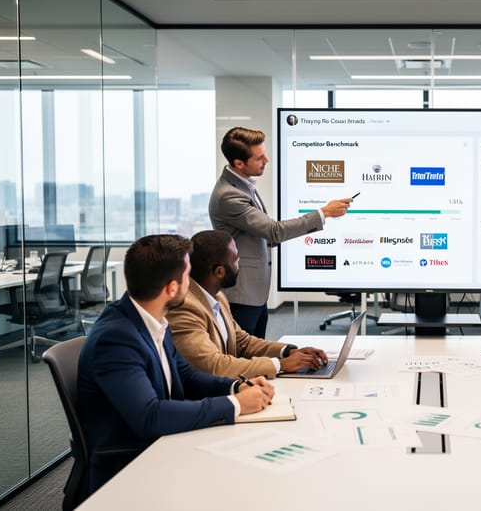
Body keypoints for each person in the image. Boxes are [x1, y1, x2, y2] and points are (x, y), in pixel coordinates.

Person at [77, 235, 274, 496]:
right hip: (131, 467)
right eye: (188, 276)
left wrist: (237, 386)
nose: (191, 284)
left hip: (166, 442)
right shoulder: (116, 339)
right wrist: (236, 404)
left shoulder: (152, 318)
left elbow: (186, 375)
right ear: (172, 288)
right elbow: (150, 416)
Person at [209, 126, 353, 338]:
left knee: (258, 350)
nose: (266, 161)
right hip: (242, 294)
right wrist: (324, 213)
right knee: (244, 357)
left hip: (254, 292)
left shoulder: (243, 184)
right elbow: (273, 230)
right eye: (259, 158)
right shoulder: (229, 195)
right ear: (239, 163)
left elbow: (260, 234)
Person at [168, 229, 328, 378]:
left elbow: (241, 342)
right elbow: (213, 366)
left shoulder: (218, 297)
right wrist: (281, 365)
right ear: (219, 272)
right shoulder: (185, 307)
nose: (239, 264)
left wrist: (288, 352)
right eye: (236, 259)